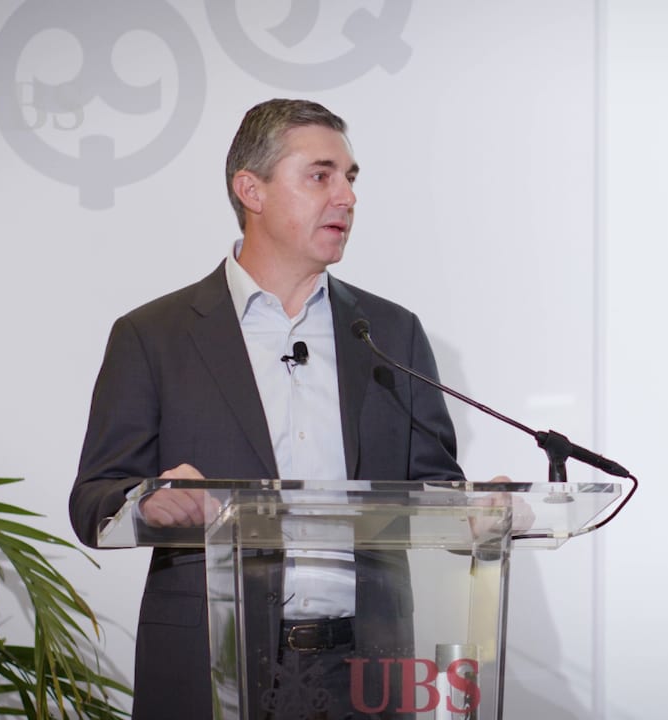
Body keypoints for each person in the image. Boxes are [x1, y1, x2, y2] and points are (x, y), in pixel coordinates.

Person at [69, 98, 465, 719]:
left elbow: (437, 489)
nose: (346, 197)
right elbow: (94, 499)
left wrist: (479, 512)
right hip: (213, 662)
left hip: (364, 671)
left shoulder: (390, 332)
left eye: (350, 177)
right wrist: (148, 501)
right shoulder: (155, 335)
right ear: (250, 190)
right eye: (320, 175)